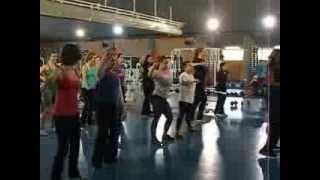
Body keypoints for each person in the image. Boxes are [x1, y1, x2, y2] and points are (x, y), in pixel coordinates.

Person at [50, 44, 82, 180]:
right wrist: (53, 68)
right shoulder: (59, 71)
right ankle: (55, 177)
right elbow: (49, 83)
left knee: (75, 148)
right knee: (63, 149)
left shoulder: (75, 71)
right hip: (62, 115)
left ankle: (73, 173)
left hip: (74, 114)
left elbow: (76, 90)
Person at [92, 54, 125, 168]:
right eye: (113, 61)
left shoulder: (116, 76)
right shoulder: (101, 74)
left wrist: (123, 106)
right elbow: (100, 69)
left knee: (115, 132)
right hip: (103, 107)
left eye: (115, 61)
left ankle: (110, 157)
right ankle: (97, 160)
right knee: (103, 133)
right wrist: (106, 56)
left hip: (114, 107)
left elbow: (119, 93)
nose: (115, 62)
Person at [149, 56, 175, 145]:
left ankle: (164, 135)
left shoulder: (168, 72)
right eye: (164, 63)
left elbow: (168, 81)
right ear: (160, 63)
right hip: (157, 97)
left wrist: (160, 69)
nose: (166, 64)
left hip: (163, 98)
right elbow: (149, 74)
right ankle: (153, 139)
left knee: (170, 117)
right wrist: (154, 66)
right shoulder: (157, 73)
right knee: (157, 118)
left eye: (167, 63)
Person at [259, 49, 280, 157]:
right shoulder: (271, 67)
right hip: (275, 93)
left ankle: (273, 144)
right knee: (276, 122)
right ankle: (267, 148)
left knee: (277, 122)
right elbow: (270, 81)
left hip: (276, 93)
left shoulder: (275, 66)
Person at [175, 61, 198, 140]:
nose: (190, 67)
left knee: (188, 115)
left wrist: (194, 80)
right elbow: (184, 82)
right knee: (181, 116)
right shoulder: (183, 75)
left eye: (191, 66)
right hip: (183, 99)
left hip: (190, 99)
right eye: (189, 66)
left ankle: (189, 127)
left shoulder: (191, 75)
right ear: (184, 67)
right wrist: (194, 81)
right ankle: (177, 132)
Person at [191, 48, 208, 122]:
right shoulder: (195, 61)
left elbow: (205, 71)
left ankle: (198, 117)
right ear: (199, 52)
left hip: (201, 83)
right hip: (197, 83)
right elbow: (191, 65)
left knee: (203, 100)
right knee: (197, 101)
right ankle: (191, 117)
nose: (204, 53)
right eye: (203, 52)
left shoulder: (203, 61)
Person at [80, 56, 98, 126]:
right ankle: (82, 121)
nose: (94, 59)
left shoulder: (94, 67)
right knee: (87, 105)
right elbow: (84, 78)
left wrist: (97, 83)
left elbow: (96, 77)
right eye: (93, 58)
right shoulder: (85, 67)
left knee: (91, 105)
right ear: (90, 58)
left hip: (93, 88)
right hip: (86, 89)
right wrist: (87, 86)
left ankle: (89, 121)